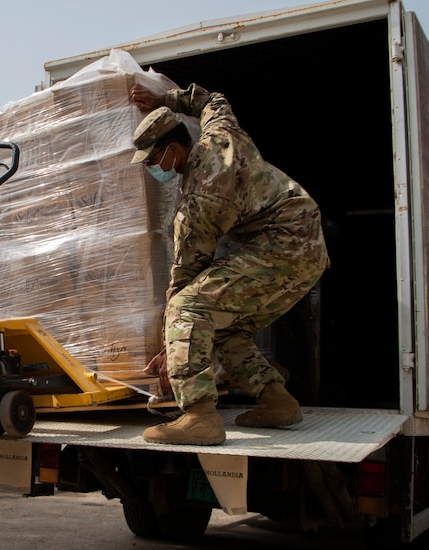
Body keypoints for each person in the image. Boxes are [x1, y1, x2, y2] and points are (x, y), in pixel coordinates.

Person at [130, 83, 329, 445]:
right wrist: (164, 100)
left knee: (188, 306)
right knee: (224, 328)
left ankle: (199, 415)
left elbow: (185, 277)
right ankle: (276, 400)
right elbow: (212, 99)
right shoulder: (220, 132)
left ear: (172, 149)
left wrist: (169, 346)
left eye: (151, 159)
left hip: (282, 248)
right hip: (307, 249)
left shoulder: (198, 203)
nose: (151, 168)